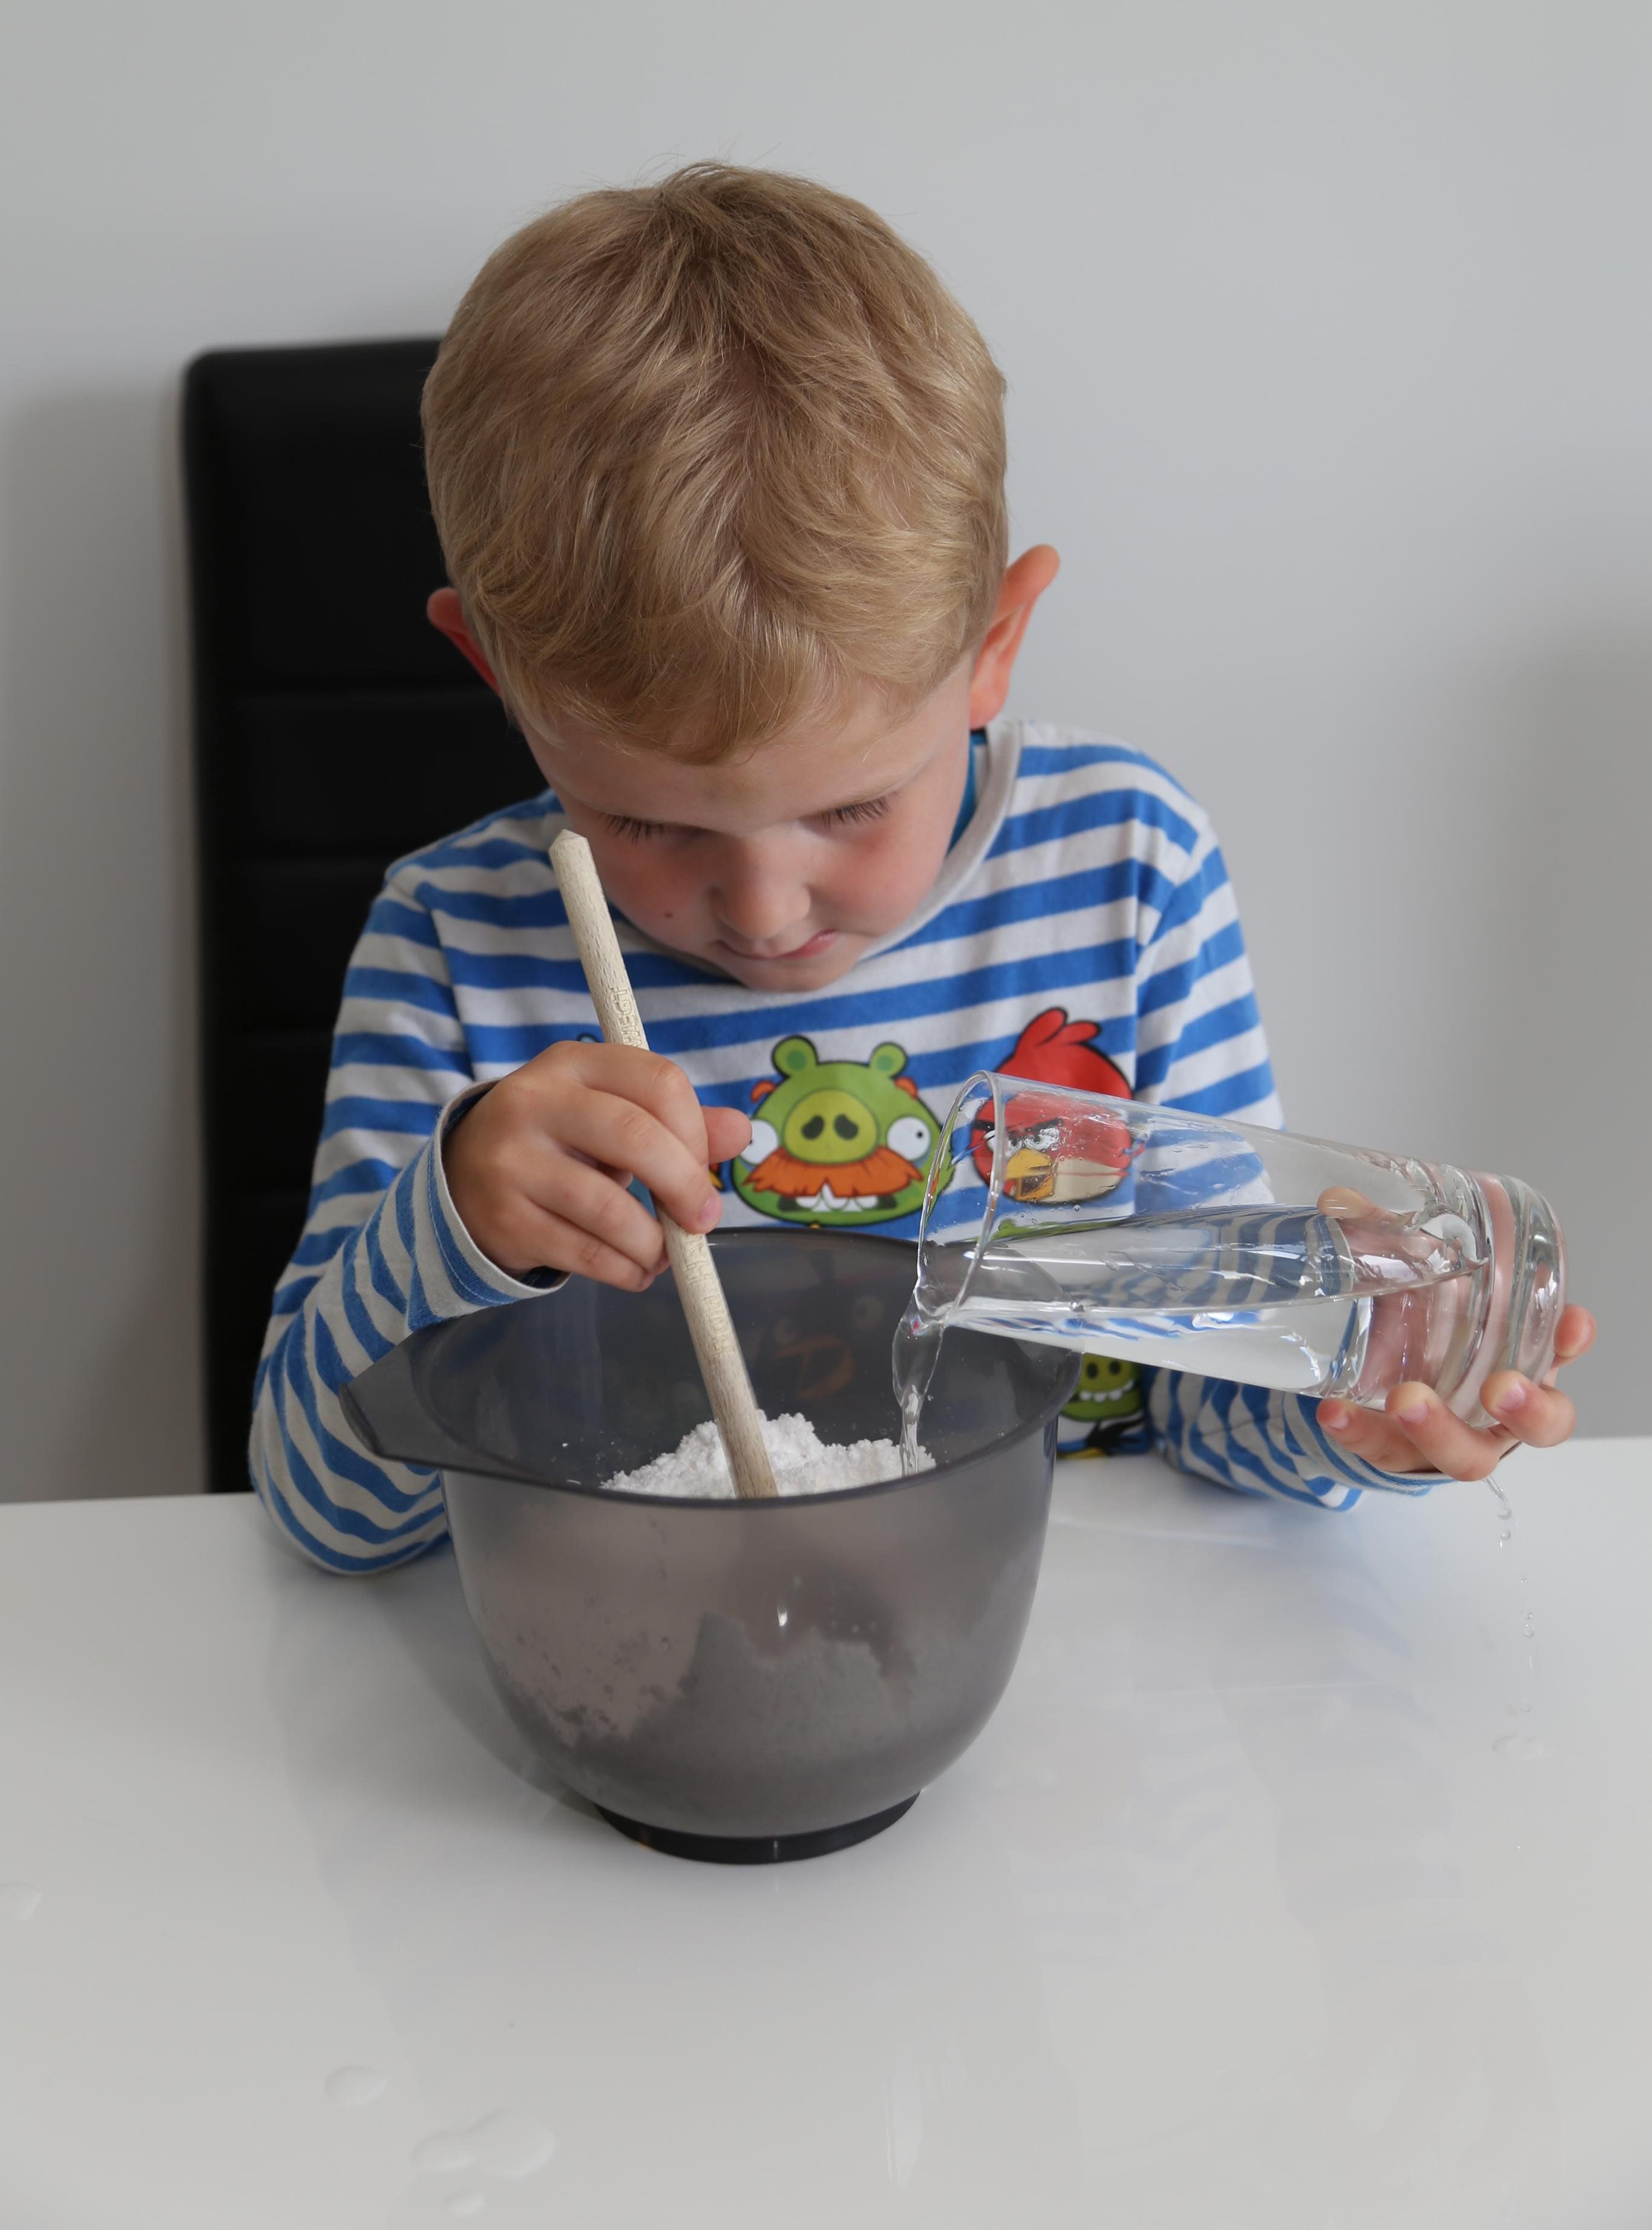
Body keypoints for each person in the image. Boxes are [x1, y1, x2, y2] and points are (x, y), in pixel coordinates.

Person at [250, 165, 1591, 1570]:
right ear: (495, 675)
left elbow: (1209, 1402)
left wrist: (1351, 1414)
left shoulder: (1127, 869)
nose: (766, 909)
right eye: (647, 823)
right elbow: (327, 1515)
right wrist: (458, 1225)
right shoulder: (452, 946)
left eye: (852, 806)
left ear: (994, 648)